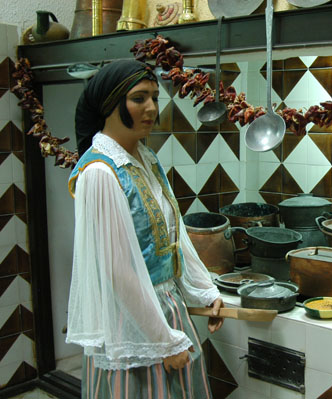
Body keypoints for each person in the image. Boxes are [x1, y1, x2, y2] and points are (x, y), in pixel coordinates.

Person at [66, 59, 224, 398]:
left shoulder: (145, 158)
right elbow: (117, 271)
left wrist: (204, 290)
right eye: (139, 98)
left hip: (169, 309)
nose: (152, 107)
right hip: (132, 324)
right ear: (110, 105)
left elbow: (174, 235)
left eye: (155, 96)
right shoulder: (100, 173)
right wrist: (162, 342)